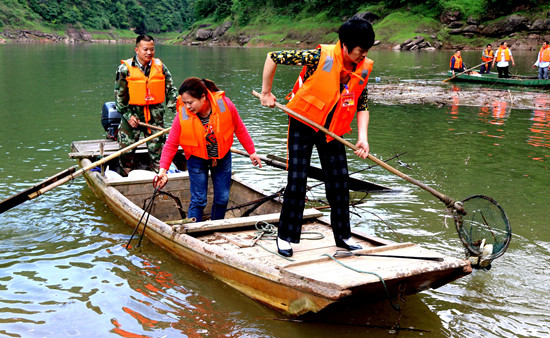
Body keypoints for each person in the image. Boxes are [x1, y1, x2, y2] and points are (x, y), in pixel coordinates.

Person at [260, 18, 374, 257]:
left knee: (340, 183)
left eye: (366, 51)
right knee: (297, 181)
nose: (363, 55)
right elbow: (273, 57)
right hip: (304, 123)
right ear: (344, 45)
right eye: (359, 51)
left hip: (332, 131)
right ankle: (285, 237)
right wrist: (266, 93)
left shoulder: (362, 67)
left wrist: (363, 138)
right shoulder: (317, 57)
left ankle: (343, 237)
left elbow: (362, 104)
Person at [156, 77, 262, 222]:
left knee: (222, 198)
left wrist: (252, 152)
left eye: (191, 102)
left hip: (222, 157)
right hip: (196, 159)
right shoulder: (183, 115)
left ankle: (216, 227)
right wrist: (163, 170)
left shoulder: (224, 104)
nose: (187, 106)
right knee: (199, 200)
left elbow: (239, 128)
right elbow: (171, 145)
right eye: (185, 102)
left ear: (203, 97)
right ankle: (193, 230)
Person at [115, 34, 178, 175]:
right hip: (132, 118)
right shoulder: (124, 69)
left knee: (159, 154)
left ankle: (160, 178)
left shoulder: (161, 67)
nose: (149, 52)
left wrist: (180, 113)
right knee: (126, 153)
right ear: (137, 50)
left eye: (152, 49)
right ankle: (125, 176)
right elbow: (119, 97)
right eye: (145, 49)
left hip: (155, 118)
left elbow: (171, 92)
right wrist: (128, 115)